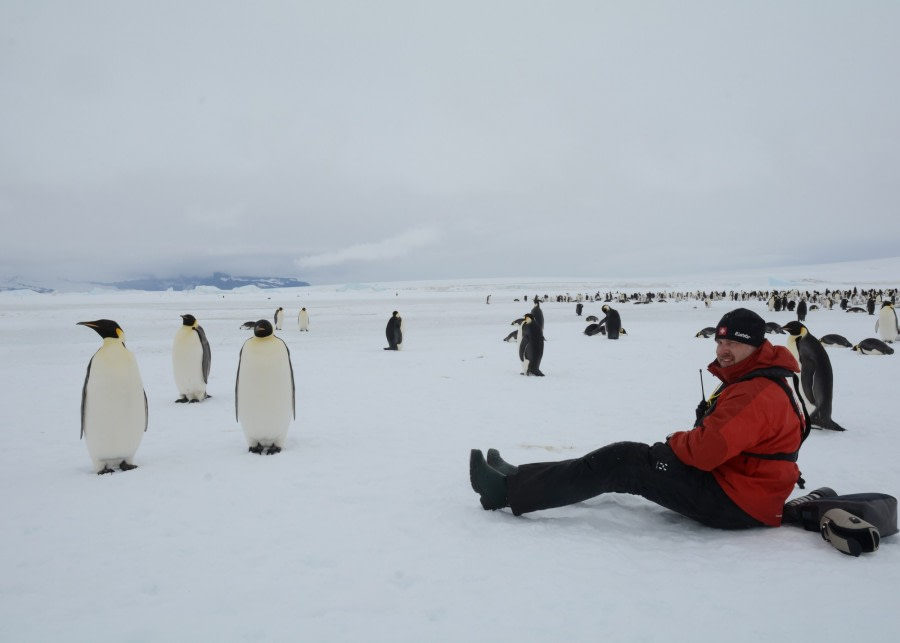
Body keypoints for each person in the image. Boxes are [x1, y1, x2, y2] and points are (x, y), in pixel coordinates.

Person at [469, 308, 807, 529]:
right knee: (627, 457)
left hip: (738, 500)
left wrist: (675, 444)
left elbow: (708, 450)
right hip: (741, 487)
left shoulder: (757, 391)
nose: (722, 350)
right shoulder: (760, 380)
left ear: (755, 346)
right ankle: (519, 477)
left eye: (733, 343)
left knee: (624, 461)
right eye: (720, 341)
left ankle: (506, 493)